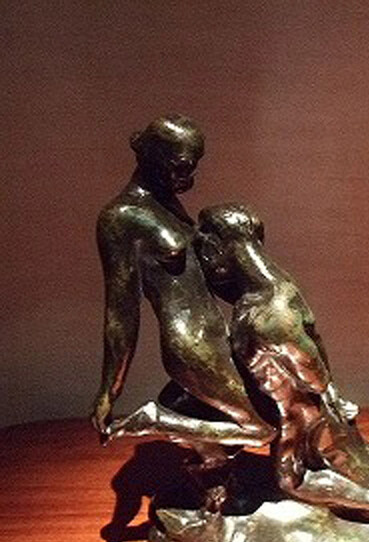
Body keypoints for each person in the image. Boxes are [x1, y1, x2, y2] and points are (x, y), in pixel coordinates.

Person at [193, 203, 369, 533]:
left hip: (295, 414)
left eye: (205, 254)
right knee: (331, 456)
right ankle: (362, 461)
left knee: (290, 483)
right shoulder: (278, 285)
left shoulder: (266, 317)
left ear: (215, 249)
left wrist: (325, 397)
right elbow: (315, 343)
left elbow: (312, 376)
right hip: (300, 407)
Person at [92, 116, 275, 463]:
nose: (188, 177)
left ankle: (212, 472)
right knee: (262, 430)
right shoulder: (120, 217)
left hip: (220, 335)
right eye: (181, 166)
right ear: (152, 155)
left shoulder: (167, 204)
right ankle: (154, 420)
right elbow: (121, 311)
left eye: (193, 166)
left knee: (273, 406)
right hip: (190, 344)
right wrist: (109, 391)